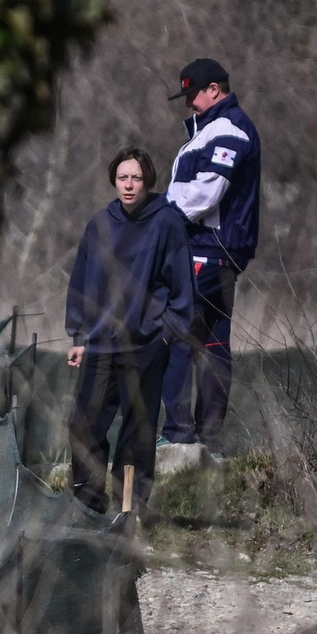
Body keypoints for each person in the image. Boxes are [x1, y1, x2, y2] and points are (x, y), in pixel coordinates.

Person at [65, 146, 196, 515]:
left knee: (136, 433)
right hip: (100, 344)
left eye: (136, 178)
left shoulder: (166, 221)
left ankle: (130, 512)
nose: (129, 185)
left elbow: (183, 287)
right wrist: (79, 336)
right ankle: (88, 509)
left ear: (147, 181)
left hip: (145, 343)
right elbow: (81, 281)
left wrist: (166, 333)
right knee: (84, 426)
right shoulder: (100, 223)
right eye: (122, 177)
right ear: (113, 180)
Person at [160, 58, 262, 455]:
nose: (189, 103)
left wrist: (160, 218)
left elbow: (205, 193)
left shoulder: (227, 129)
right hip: (219, 254)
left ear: (214, 90)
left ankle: (179, 434)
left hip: (207, 249)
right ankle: (210, 440)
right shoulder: (211, 130)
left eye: (192, 94)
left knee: (174, 335)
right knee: (214, 342)